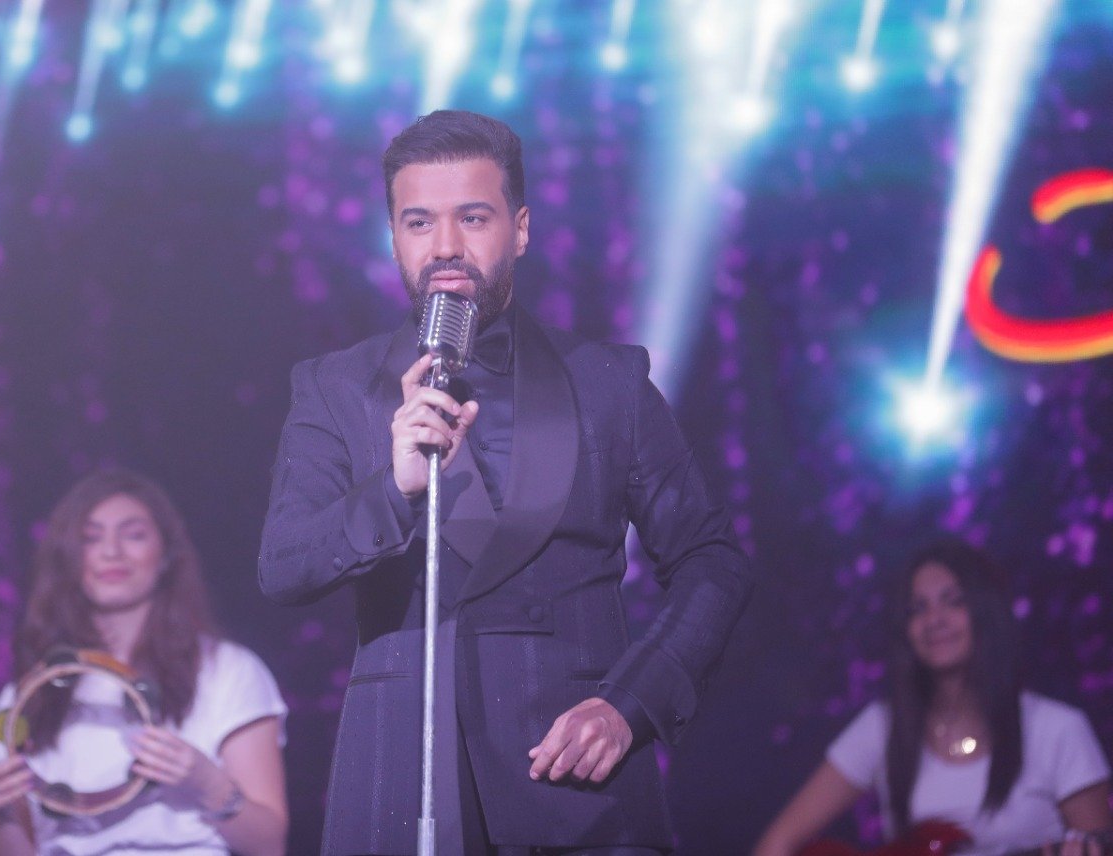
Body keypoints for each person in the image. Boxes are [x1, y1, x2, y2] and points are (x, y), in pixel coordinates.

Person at [258, 109, 752, 854]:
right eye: (419, 222)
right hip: (401, 774)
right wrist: (393, 490)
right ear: (393, 235)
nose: (445, 246)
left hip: (570, 780)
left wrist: (631, 704)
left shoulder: (607, 382)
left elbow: (712, 562)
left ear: (519, 229)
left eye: (473, 217)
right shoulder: (335, 387)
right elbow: (285, 565)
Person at [0, 468, 289, 856]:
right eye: (90, 538)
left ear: (167, 554)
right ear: (68, 558)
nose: (111, 552)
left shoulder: (227, 671)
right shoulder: (30, 691)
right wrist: (3, 811)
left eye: (133, 535)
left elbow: (269, 845)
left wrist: (206, 782)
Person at [753, 539, 1112, 856]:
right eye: (917, 608)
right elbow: (776, 844)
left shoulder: (1058, 730)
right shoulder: (882, 727)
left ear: (987, 612)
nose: (934, 619)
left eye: (954, 601)